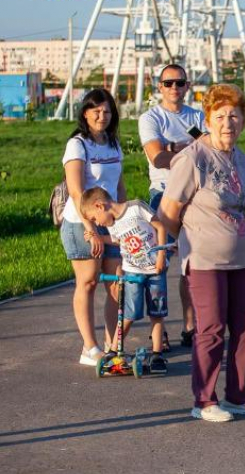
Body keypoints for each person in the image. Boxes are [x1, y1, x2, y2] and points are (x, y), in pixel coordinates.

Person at [158, 83, 245, 422]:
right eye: (219, 116)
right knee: (211, 329)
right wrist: (187, 240)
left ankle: (237, 395)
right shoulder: (193, 158)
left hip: (243, 257)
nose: (227, 123)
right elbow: (167, 212)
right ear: (207, 119)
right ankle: (204, 401)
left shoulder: (240, 157)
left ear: (244, 120)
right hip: (206, 261)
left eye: (234, 116)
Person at [138, 63, 205, 349]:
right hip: (164, 194)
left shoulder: (196, 116)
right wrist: (186, 148)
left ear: (187, 86)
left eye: (179, 83)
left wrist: (175, 148)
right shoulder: (152, 117)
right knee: (159, 265)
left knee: (192, 266)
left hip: (196, 195)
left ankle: (190, 327)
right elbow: (157, 158)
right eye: (168, 83)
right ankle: (158, 332)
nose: (174, 88)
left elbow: (209, 150)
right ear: (159, 87)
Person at [59, 88, 125, 366]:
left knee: (117, 283)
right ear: (85, 113)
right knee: (88, 282)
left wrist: (124, 220)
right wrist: (89, 229)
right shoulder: (78, 144)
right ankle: (90, 347)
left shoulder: (113, 144)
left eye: (107, 110)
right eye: (96, 110)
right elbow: (76, 192)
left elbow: (119, 185)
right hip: (80, 222)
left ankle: (113, 345)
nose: (102, 115)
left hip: (110, 223)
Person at [80, 187, 170, 373]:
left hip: (154, 269)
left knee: (156, 312)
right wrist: (97, 237)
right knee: (128, 312)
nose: (97, 223)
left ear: (99, 205)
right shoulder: (112, 225)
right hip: (132, 271)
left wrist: (161, 253)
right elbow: (119, 240)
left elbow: (160, 227)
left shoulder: (136, 208)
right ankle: (113, 350)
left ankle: (157, 354)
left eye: (95, 219)